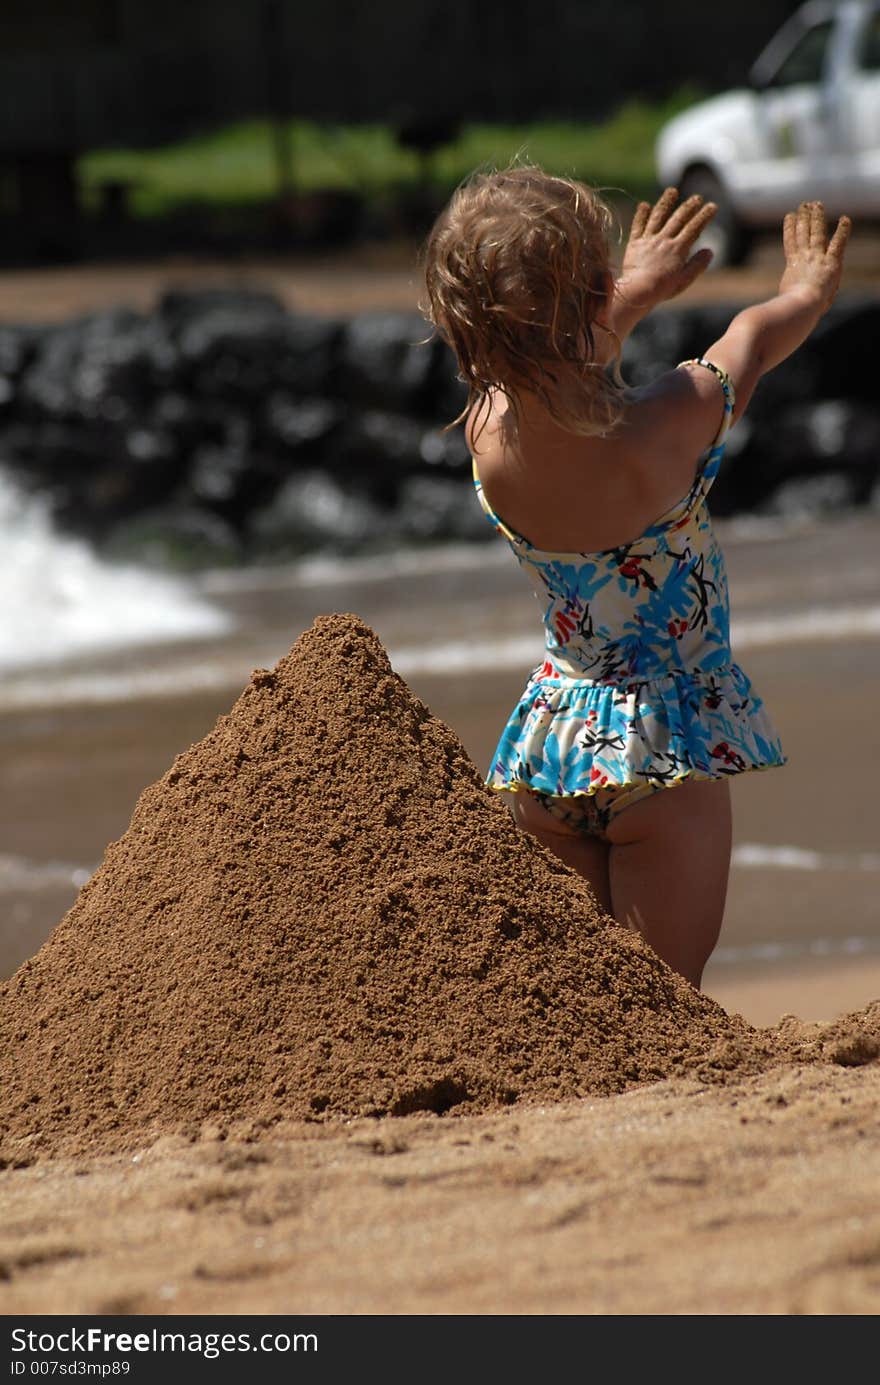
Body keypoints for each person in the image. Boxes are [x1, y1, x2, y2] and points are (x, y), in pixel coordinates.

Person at [421, 166, 851, 988]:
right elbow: (754, 339)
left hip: (553, 744)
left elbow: (548, 363)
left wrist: (629, 295)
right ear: (589, 300)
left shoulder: (485, 429)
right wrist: (807, 289)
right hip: (665, 748)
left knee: (588, 1008)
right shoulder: (671, 418)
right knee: (661, 1002)